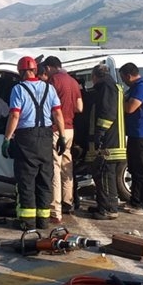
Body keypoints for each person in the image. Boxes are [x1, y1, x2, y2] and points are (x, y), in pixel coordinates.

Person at [1, 56, 67, 231]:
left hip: (26, 138)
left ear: (20, 72)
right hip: (46, 136)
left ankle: (27, 221)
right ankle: (43, 220)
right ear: (35, 70)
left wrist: (7, 139)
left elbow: (15, 115)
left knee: (26, 179)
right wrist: (62, 136)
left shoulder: (18, 89)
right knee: (44, 179)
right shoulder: (49, 88)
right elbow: (58, 114)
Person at [40, 56, 83, 223]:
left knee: (55, 168)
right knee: (67, 166)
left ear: (49, 67)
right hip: (70, 129)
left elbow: (46, 105)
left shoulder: (53, 81)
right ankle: (68, 202)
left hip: (56, 129)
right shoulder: (73, 82)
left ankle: (55, 210)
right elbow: (79, 107)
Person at [85, 63, 126, 220]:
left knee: (105, 175)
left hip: (109, 143)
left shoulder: (106, 87)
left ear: (95, 76)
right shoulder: (113, 86)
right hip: (114, 140)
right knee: (102, 175)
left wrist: (99, 133)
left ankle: (109, 209)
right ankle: (103, 205)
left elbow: (107, 113)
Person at [118, 62, 143, 215]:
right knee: (133, 169)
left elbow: (130, 108)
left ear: (129, 76)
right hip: (134, 134)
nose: (123, 82)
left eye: (123, 78)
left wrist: (120, 98)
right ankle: (135, 201)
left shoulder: (141, 88)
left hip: (142, 135)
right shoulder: (135, 87)